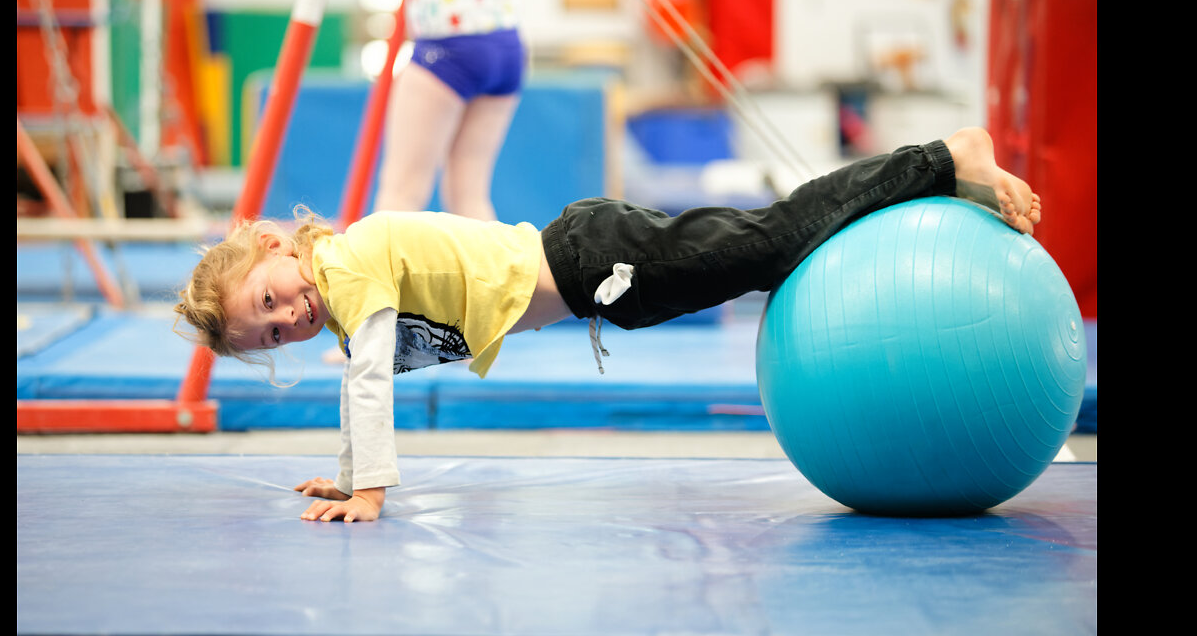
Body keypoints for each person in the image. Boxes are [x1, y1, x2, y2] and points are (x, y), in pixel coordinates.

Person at [174, 127, 1040, 523]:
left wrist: (367, 489)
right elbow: (356, 370)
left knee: (775, 239)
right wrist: (345, 474)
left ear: (275, 246)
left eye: (271, 300)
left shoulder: (352, 264)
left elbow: (366, 378)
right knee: (769, 247)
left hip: (596, 261)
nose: (290, 317)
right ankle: (930, 172)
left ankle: (940, 160)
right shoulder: (347, 296)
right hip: (602, 284)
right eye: (274, 336)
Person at [370, 0, 525, 221]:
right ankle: (494, 269)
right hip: (505, 42)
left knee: (401, 193)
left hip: (448, 45)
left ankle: (373, 269)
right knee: (469, 197)